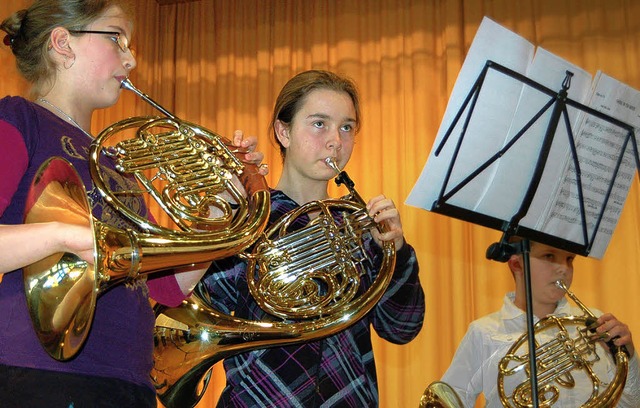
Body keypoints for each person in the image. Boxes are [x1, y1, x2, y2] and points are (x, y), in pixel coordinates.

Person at [0, 1, 266, 407]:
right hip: (40, 374)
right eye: (116, 39)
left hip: (129, 380)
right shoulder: (19, 119)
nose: (132, 57)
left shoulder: (115, 162)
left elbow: (168, 288)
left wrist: (223, 208)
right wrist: (64, 236)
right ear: (62, 43)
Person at [201, 69, 425, 407]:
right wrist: (219, 223)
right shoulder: (249, 217)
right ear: (284, 131)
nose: (336, 139)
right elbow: (207, 304)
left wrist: (397, 251)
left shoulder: (361, 228)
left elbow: (402, 328)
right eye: (319, 123)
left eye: (346, 127)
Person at [440, 238, 640, 407]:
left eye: (569, 259)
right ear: (516, 264)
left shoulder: (594, 323)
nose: (564, 268)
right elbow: (453, 397)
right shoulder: (484, 332)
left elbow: (633, 403)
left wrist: (628, 357)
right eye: (549, 256)